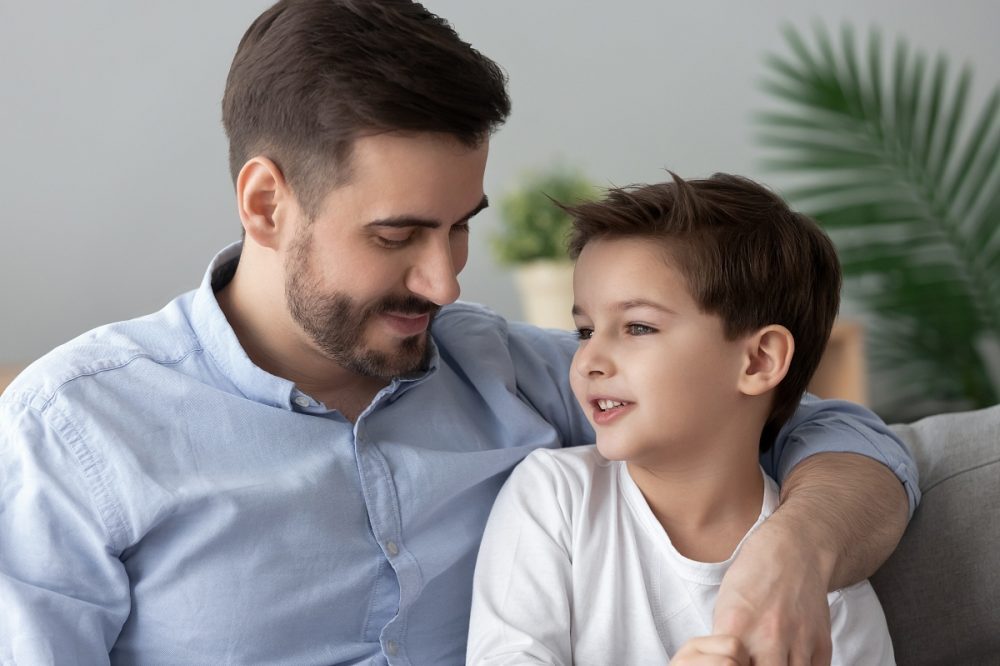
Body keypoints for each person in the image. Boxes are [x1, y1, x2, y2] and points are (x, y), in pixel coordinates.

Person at [0, 1, 916, 664]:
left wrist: (794, 553)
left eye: (461, 224)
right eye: (397, 236)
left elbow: (818, 427)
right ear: (267, 203)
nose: (446, 281)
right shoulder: (74, 435)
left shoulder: (506, 372)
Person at [466, 173, 896, 665]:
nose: (587, 360)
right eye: (584, 330)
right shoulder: (555, 500)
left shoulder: (817, 595)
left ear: (758, 361)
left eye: (638, 326)